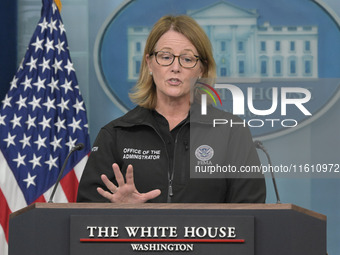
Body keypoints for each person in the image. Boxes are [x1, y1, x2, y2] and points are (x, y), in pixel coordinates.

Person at [77, 15, 266, 203]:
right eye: (165, 57)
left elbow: (251, 212)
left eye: (187, 59)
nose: (175, 67)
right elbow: (85, 216)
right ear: (149, 63)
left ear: (201, 69)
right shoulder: (115, 134)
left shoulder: (231, 131)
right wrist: (119, 213)